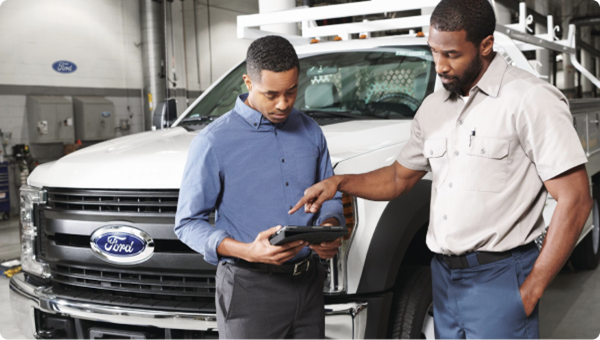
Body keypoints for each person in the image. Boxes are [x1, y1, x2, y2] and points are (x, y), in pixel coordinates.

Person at [289, 0, 592, 339]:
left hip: (500, 277)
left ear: (486, 45)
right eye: (434, 51)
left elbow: (576, 200)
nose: (440, 65)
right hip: (443, 280)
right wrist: (339, 182)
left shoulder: (529, 99)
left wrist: (531, 290)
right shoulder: (434, 108)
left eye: (451, 54)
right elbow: (397, 178)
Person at [175, 35, 344, 340]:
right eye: (272, 94)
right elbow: (187, 224)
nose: (284, 103)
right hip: (248, 290)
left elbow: (329, 195)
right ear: (248, 83)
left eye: (291, 92)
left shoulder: (310, 131)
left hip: (308, 285)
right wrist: (248, 251)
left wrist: (329, 227)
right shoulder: (213, 142)